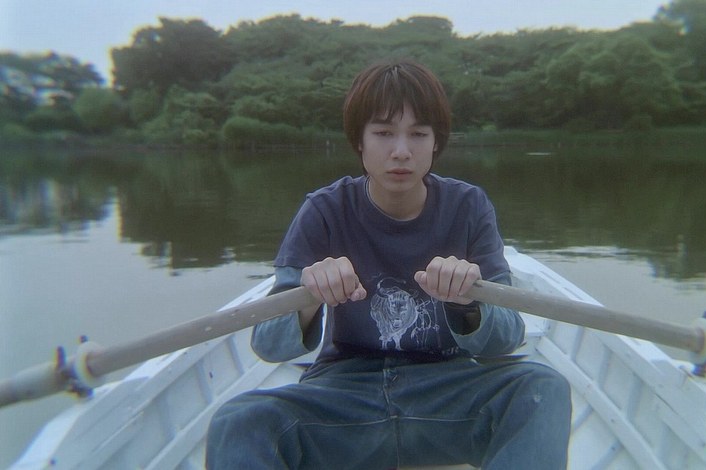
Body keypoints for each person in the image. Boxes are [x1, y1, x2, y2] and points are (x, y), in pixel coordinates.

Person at [206, 59, 571, 469]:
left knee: (541, 388)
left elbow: (507, 337)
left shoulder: (468, 206)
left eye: (418, 134)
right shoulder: (323, 211)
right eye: (383, 133)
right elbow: (268, 345)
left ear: (436, 143)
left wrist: (468, 304)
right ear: (359, 141)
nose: (401, 151)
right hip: (344, 399)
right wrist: (308, 299)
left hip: (447, 396)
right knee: (239, 420)